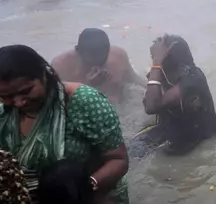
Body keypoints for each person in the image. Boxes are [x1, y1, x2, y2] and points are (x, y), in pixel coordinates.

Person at [0, 45, 129, 203]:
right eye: (7, 96)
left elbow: (118, 160)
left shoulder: (84, 102)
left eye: (26, 91)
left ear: (44, 74)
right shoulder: (3, 112)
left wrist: (83, 188)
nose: (19, 103)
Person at [130, 35, 216, 157]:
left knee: (132, 151)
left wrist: (156, 64)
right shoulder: (172, 77)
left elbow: (151, 106)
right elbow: (148, 102)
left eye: (155, 57)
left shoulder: (191, 80)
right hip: (176, 130)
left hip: (190, 141)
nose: (153, 61)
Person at [51, 28, 146, 105]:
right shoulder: (61, 67)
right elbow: (57, 105)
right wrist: (89, 87)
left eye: (102, 62)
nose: (97, 67)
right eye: (91, 63)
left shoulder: (118, 56)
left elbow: (135, 80)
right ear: (78, 51)